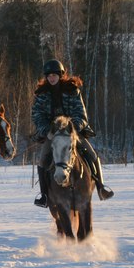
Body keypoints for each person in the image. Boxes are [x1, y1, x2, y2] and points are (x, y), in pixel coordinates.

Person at [31, 58, 113, 206]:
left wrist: (73, 129)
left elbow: (81, 114)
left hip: (72, 132)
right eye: (49, 75)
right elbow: (37, 116)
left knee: (92, 154)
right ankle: (44, 196)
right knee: (43, 160)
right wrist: (46, 131)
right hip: (52, 134)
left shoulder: (72, 90)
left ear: (60, 75)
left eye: (54, 75)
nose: (51, 78)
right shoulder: (41, 94)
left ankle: (101, 187)